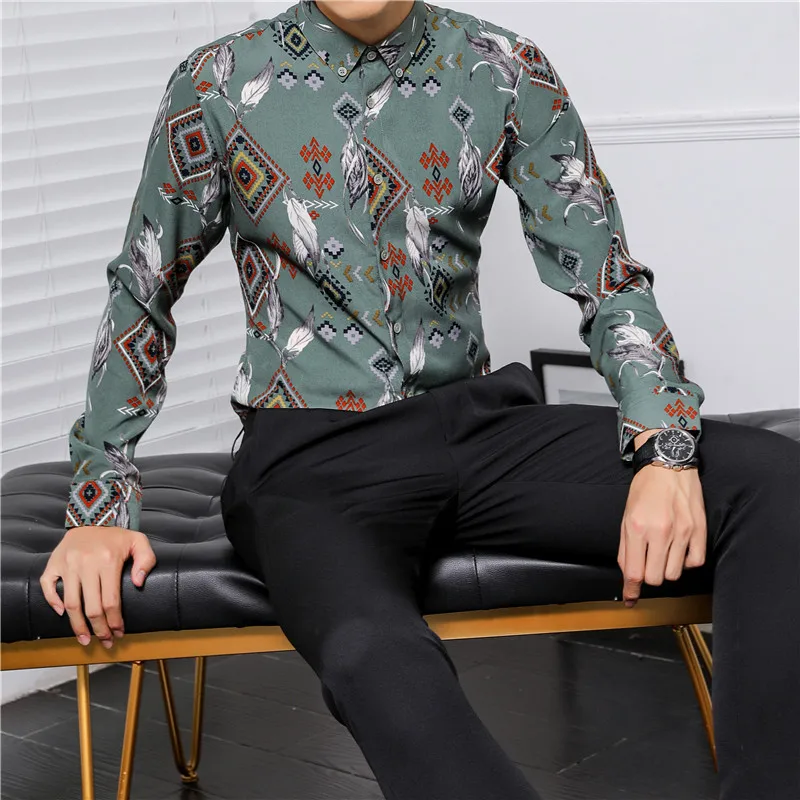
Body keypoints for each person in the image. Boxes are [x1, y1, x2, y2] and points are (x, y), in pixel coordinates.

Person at [41, 2, 799, 798]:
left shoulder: (504, 66)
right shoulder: (216, 83)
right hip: (310, 460)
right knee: (369, 649)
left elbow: (607, 278)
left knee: (773, 481)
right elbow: (143, 291)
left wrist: (665, 446)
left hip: (475, 425)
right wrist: (100, 503)